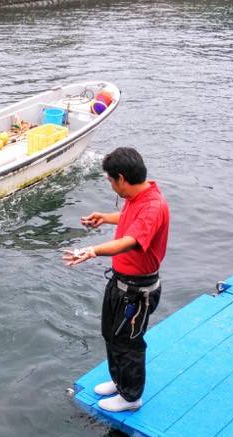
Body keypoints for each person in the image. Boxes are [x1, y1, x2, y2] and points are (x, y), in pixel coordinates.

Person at [63, 147, 170, 412]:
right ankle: (118, 380)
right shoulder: (139, 195)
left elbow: (130, 241)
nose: (111, 185)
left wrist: (92, 250)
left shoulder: (153, 206)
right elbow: (130, 220)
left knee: (128, 342)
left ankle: (131, 397)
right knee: (111, 334)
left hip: (138, 291)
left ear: (121, 178)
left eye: (111, 180)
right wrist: (106, 218)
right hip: (120, 282)